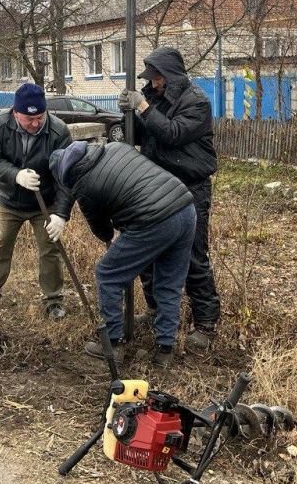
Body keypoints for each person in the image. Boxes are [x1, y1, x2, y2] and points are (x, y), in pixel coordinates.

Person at [49, 141, 195, 368]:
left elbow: (103, 231)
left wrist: (116, 229)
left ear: (67, 174)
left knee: (107, 274)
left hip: (154, 219)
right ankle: (165, 350)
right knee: (169, 283)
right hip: (185, 206)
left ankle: (113, 344)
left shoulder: (84, 185)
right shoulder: (116, 147)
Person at [118, 46, 220, 350]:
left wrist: (144, 107)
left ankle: (206, 323)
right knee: (149, 254)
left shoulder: (196, 102)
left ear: (170, 76)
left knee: (192, 257)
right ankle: (156, 312)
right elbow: (140, 137)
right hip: (156, 188)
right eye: (150, 79)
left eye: (157, 78)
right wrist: (127, 114)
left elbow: (173, 134)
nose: (152, 83)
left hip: (190, 189)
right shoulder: (157, 98)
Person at [0, 82, 73, 318]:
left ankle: (53, 299)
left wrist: (61, 214)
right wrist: (16, 175)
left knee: (50, 249)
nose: (35, 124)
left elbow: (67, 176)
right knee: (0, 245)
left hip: (45, 203)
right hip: (9, 200)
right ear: (16, 113)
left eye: (40, 118)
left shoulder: (58, 131)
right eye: (28, 119)